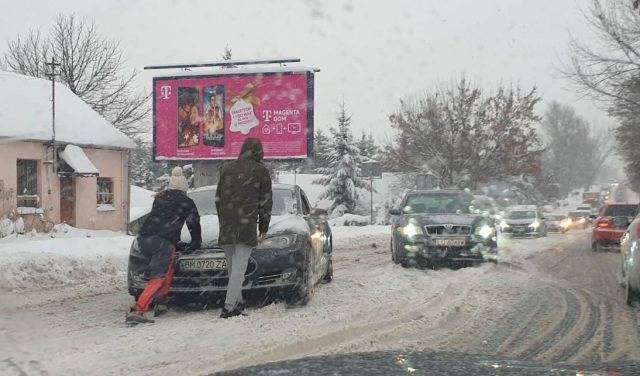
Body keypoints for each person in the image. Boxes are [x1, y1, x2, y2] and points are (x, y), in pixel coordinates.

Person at [126, 167, 201, 325]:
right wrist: (195, 243)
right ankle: (139, 309)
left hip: (144, 237)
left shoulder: (160, 198)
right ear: (184, 188)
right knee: (158, 277)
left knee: (169, 267)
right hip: (162, 242)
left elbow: (159, 219)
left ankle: (161, 301)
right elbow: (193, 224)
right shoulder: (186, 202)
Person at [216, 138, 272, 318]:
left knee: (232, 267)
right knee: (240, 267)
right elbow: (265, 202)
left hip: (227, 224)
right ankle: (229, 306)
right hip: (246, 223)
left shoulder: (227, 168)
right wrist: (264, 228)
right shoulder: (261, 171)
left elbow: (218, 198)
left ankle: (238, 303)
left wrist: (223, 218)